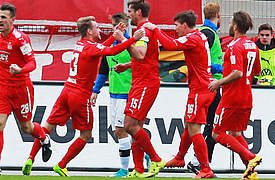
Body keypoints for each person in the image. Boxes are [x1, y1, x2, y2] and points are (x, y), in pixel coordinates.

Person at [21, 16, 145, 176]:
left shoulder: (80, 45)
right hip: (79, 95)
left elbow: (100, 48)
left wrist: (116, 37)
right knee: (86, 135)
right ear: (89, 31)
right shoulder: (90, 48)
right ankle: (62, 164)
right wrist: (132, 39)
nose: (100, 30)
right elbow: (112, 51)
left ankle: (30, 158)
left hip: (66, 91)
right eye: (97, 27)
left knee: (48, 127)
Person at [0, 3, 50, 177]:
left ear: (12, 20)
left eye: (3, 17)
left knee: (27, 128)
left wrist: (20, 70)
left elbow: (33, 63)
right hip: (3, 89)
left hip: (21, 89)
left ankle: (44, 138)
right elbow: (1, 59)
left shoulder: (20, 39)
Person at [144, 10, 216, 178]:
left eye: (177, 25)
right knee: (188, 123)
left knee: (194, 129)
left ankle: (205, 169)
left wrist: (155, 29)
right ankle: (180, 158)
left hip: (200, 90)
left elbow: (170, 45)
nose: (175, 29)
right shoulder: (199, 36)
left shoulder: (193, 38)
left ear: (185, 25)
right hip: (203, 88)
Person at [113, 0, 166, 178]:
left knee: (129, 125)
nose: (128, 14)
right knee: (136, 126)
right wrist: (128, 65)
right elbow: (149, 57)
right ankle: (138, 169)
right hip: (141, 81)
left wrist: (124, 40)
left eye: (130, 11)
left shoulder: (143, 30)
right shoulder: (145, 29)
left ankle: (156, 158)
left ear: (139, 12)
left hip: (145, 83)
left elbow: (141, 55)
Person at [208, 11, 262, 179]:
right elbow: (257, 71)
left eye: (231, 22)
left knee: (216, 134)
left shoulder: (233, 46)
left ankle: (251, 157)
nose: (229, 25)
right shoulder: (253, 45)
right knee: (235, 134)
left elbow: (238, 72)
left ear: (236, 26)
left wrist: (218, 82)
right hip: (246, 95)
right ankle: (250, 172)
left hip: (232, 97)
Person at [90, 12, 133, 177]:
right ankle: (146, 157)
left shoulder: (131, 44)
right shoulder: (110, 46)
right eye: (112, 26)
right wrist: (95, 90)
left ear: (123, 26)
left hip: (127, 93)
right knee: (121, 131)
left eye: (116, 26)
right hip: (114, 94)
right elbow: (103, 71)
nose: (113, 29)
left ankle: (124, 170)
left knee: (121, 130)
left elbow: (142, 63)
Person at [186, 2, 223, 175]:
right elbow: (202, 61)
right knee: (208, 128)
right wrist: (223, 68)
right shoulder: (207, 33)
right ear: (218, 14)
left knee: (202, 126)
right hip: (209, 86)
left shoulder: (208, 32)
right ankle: (199, 163)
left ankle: (196, 162)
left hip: (208, 86)